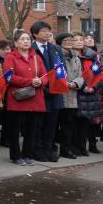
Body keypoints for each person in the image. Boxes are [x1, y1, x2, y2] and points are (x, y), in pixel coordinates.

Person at [5, 30, 47, 165]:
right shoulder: (10, 57)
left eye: (28, 39)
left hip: (34, 98)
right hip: (17, 98)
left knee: (32, 129)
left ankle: (28, 154)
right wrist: (30, 81)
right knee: (14, 129)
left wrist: (41, 81)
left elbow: (45, 75)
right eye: (22, 39)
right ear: (16, 42)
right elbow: (9, 77)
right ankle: (16, 156)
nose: (26, 41)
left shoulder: (36, 57)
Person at [30, 21, 65, 162]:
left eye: (48, 30)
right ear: (35, 33)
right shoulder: (31, 49)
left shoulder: (56, 48)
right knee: (38, 124)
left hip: (55, 92)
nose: (47, 33)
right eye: (44, 30)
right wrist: (42, 85)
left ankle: (48, 149)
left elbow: (62, 69)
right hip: (38, 91)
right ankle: (37, 150)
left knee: (52, 124)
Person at [72, 32, 103, 154]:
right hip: (77, 91)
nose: (79, 42)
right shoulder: (71, 56)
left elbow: (99, 74)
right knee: (75, 122)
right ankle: (76, 147)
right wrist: (83, 86)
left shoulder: (92, 56)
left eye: (81, 39)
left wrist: (93, 87)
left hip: (91, 93)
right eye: (76, 40)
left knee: (86, 121)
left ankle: (83, 147)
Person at [55, 33, 81, 159]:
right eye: (65, 40)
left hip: (72, 94)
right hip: (60, 93)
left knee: (68, 124)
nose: (69, 41)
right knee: (55, 124)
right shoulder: (57, 55)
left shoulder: (76, 57)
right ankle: (52, 148)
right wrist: (64, 83)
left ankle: (66, 149)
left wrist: (76, 83)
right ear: (60, 42)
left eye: (71, 39)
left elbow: (82, 75)